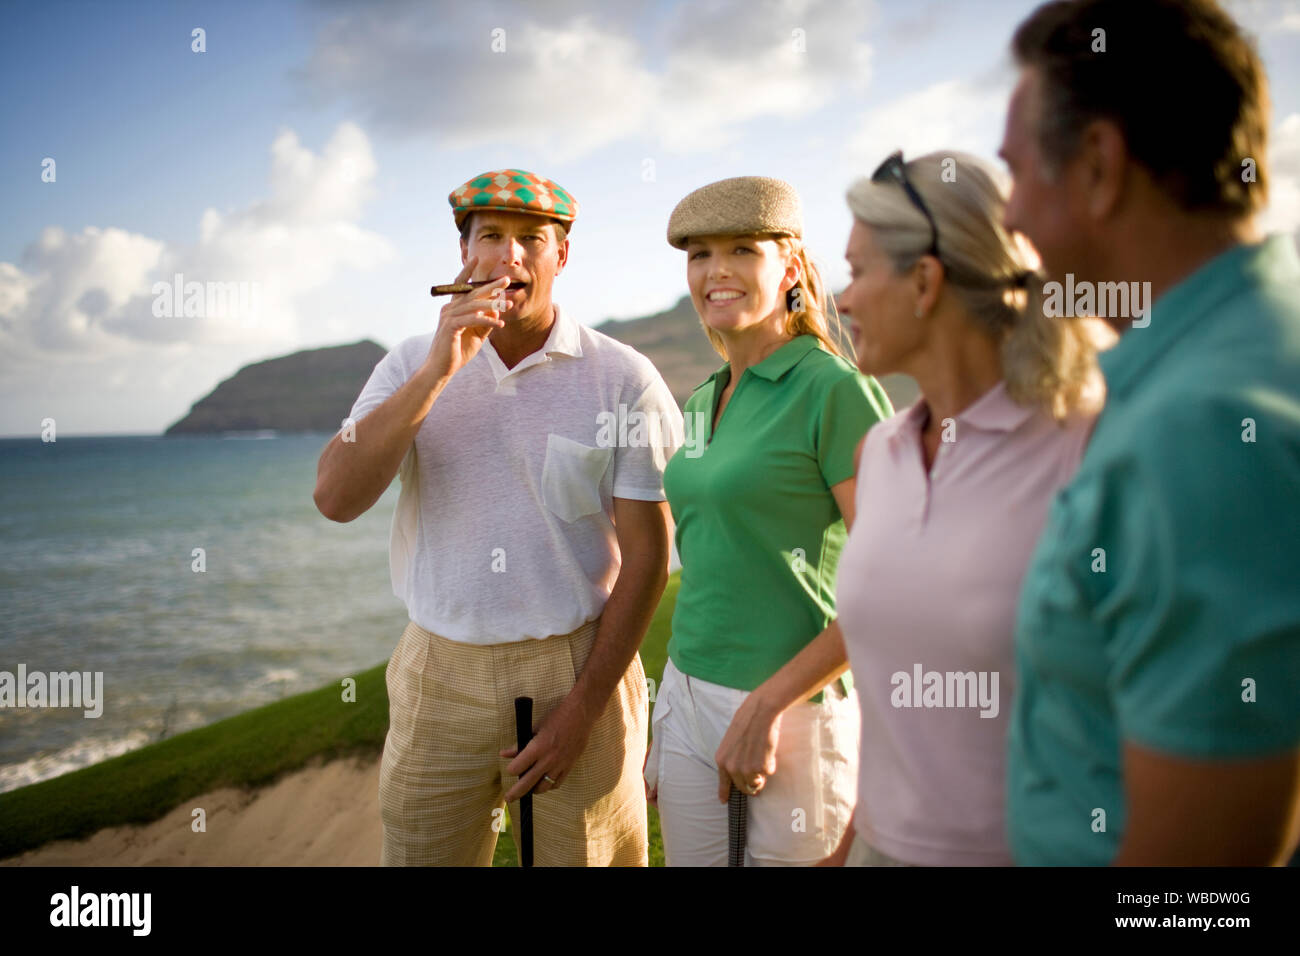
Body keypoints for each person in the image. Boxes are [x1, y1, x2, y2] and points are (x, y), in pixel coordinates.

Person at [1001, 0, 1300, 865]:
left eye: (1017, 173)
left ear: (1098, 165)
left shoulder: (1202, 432)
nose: (1010, 215)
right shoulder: (1244, 346)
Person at [314, 168, 683, 866]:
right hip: (438, 669)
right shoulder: (406, 366)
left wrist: (582, 710)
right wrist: (436, 372)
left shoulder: (624, 377)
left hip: (577, 667)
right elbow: (336, 498)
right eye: (491, 236)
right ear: (464, 254)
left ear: (560, 258)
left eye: (531, 240)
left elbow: (649, 557)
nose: (510, 255)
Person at [825, 150, 1107, 867]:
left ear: (924, 281)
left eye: (858, 272)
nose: (843, 299)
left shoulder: (1086, 446)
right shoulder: (882, 453)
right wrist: (853, 845)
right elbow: (900, 701)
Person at [645, 175, 893, 866]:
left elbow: (893, 587)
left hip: (795, 712)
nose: (716, 272)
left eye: (741, 250)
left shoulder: (835, 391)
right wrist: (675, 703)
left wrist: (769, 703)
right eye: (699, 255)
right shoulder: (700, 401)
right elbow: (711, 558)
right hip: (685, 695)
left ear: (788, 264)